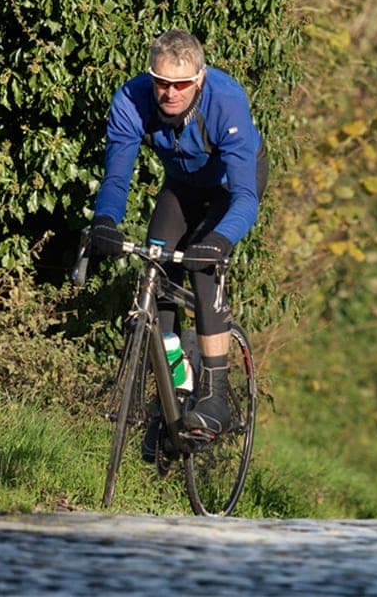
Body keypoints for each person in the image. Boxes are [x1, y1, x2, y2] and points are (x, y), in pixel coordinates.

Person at [87, 29, 267, 453]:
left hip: (230, 187)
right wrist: (106, 222)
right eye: (161, 82)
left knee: (203, 269)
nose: (170, 93)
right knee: (154, 271)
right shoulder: (131, 99)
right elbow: (117, 176)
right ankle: (172, 393)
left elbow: (246, 198)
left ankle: (215, 394)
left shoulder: (226, 100)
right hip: (182, 186)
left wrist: (220, 239)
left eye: (181, 84)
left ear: (199, 79)